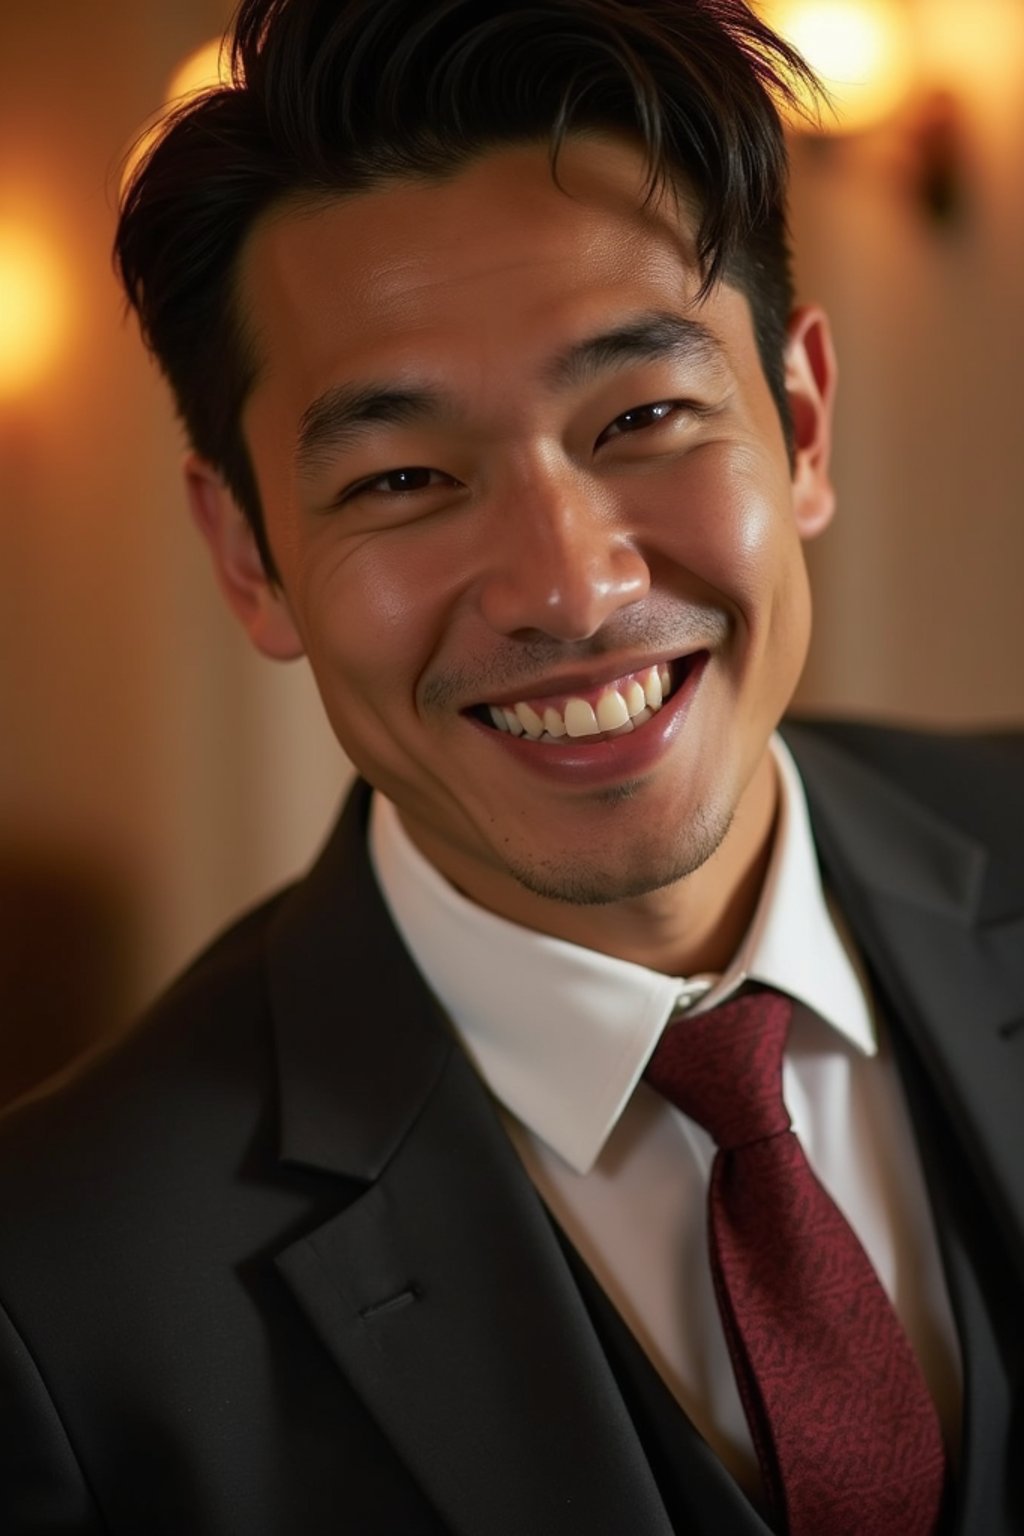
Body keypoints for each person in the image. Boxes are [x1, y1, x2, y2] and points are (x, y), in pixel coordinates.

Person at [1, 0, 1021, 1531]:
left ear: (801, 424)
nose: (568, 586)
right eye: (404, 477)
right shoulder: (56, 1290)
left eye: (646, 415)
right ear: (250, 556)